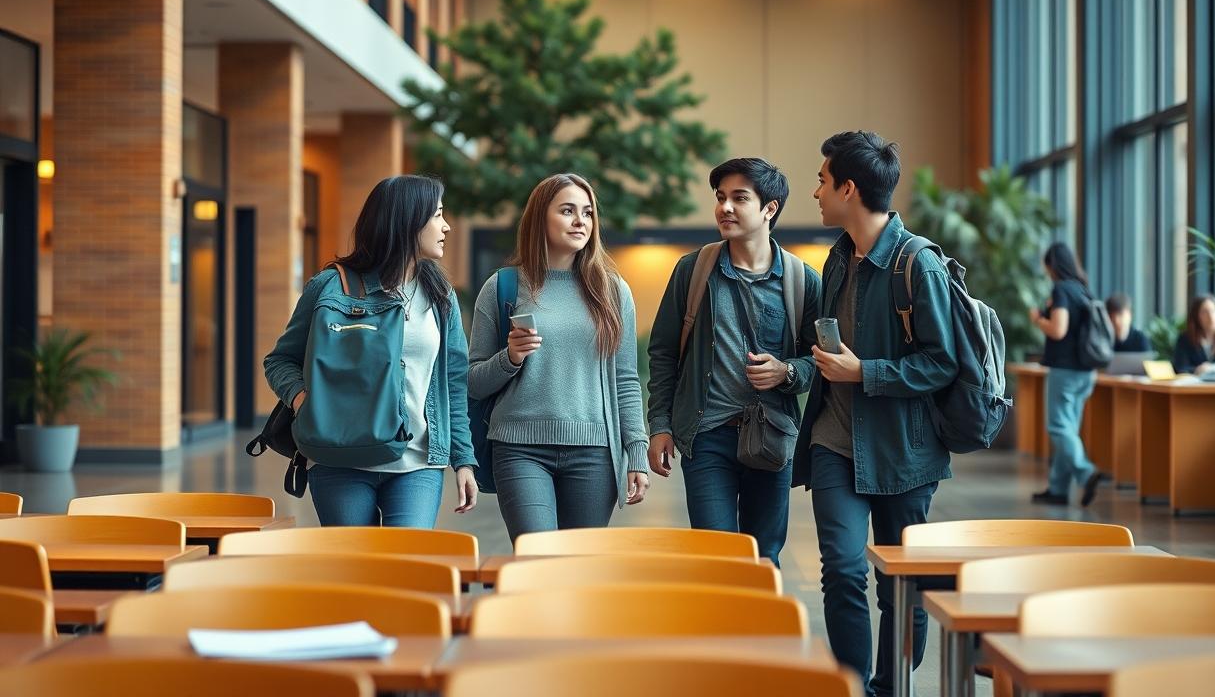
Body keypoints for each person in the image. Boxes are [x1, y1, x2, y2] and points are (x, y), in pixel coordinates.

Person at [796, 131, 958, 696]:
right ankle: (853, 688)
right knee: (841, 569)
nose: (814, 191)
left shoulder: (919, 265)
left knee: (901, 586)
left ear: (848, 188)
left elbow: (943, 363)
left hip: (904, 451)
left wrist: (866, 372)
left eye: (821, 180)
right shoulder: (837, 259)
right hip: (833, 443)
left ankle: (892, 688)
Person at [264, 175, 478, 527]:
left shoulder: (441, 297)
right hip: (339, 459)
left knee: (405, 565)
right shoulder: (331, 287)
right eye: (437, 215)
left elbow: (454, 383)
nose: (447, 226)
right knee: (354, 567)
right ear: (408, 220)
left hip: (418, 463)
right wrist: (305, 400)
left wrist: (464, 460)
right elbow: (280, 360)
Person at [646, 157, 822, 568]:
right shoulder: (694, 270)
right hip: (706, 436)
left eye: (739, 198)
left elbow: (820, 360)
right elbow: (664, 352)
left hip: (773, 435)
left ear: (769, 209)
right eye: (720, 197)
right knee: (716, 557)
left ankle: (765, 632)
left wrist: (787, 371)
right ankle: (720, 633)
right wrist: (660, 425)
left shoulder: (802, 280)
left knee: (764, 557)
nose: (725, 207)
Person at [467, 173, 649, 542]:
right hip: (519, 449)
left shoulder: (613, 291)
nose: (581, 221)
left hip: (595, 452)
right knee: (536, 557)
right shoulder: (502, 286)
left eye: (587, 212)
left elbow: (625, 379)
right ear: (540, 218)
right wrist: (511, 358)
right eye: (567, 211)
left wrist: (637, 452)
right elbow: (471, 380)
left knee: (578, 568)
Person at [1029, 242, 1103, 507]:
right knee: (1068, 429)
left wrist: (1038, 318)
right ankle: (1058, 489)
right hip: (1086, 371)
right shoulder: (1083, 290)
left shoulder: (1061, 290)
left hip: (1065, 370)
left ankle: (1085, 472)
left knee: (1058, 427)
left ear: (1053, 265)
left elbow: (1058, 330)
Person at [1172, 294, 1215, 375]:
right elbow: (1180, 368)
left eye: (1214, 311)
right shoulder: (1185, 339)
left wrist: (1213, 368)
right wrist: (1198, 370)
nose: (1211, 316)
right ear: (1196, 316)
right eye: (1204, 312)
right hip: (1195, 386)